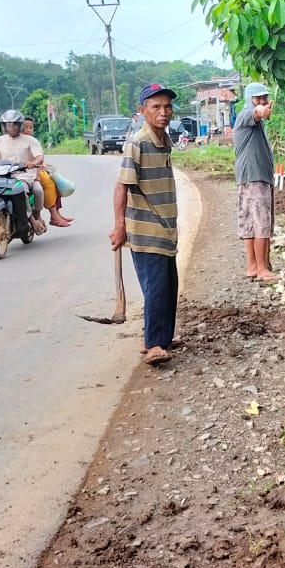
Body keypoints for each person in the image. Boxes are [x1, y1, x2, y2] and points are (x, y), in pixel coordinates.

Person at [110, 84, 180, 366]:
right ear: (142, 111)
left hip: (166, 228)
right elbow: (122, 186)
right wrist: (119, 226)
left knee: (168, 286)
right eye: (156, 107)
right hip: (146, 227)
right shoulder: (137, 143)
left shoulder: (164, 140)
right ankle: (153, 345)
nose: (163, 112)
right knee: (156, 288)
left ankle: (161, 337)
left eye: (167, 107)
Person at [234, 81, 277, 281]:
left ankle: (253, 266)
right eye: (258, 98)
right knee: (261, 222)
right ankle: (261, 268)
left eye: (264, 98)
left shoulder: (255, 124)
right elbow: (256, 112)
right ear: (249, 99)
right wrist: (261, 110)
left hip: (252, 178)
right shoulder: (245, 116)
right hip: (254, 178)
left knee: (250, 223)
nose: (262, 101)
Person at [0, 109, 46, 235]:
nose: (11, 127)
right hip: (2, 176)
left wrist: (33, 163)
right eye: (8, 124)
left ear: (20, 125)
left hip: (24, 175)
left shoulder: (30, 140)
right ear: (3, 126)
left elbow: (39, 156)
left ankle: (33, 219)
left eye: (14, 124)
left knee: (34, 190)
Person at [22, 117, 72, 227]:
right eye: (26, 127)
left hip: (36, 169)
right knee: (49, 184)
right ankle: (53, 215)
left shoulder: (33, 141)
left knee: (55, 181)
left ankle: (57, 213)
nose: (28, 130)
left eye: (31, 127)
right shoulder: (18, 141)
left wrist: (41, 164)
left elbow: (39, 156)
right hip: (25, 172)